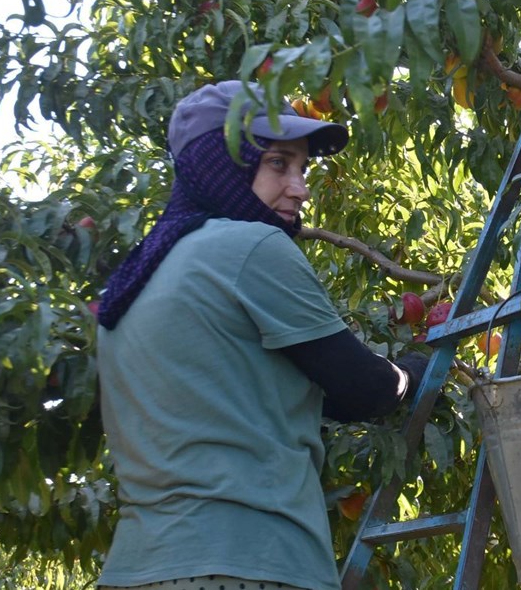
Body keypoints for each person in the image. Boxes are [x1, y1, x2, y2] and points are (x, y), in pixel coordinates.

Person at [94, 80, 430, 590]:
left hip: (136, 568)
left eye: (302, 168)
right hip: (249, 562)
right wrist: (410, 374)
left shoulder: (133, 282)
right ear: (218, 162)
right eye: (278, 163)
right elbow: (365, 389)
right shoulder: (252, 247)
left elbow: (271, 393)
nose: (299, 187)